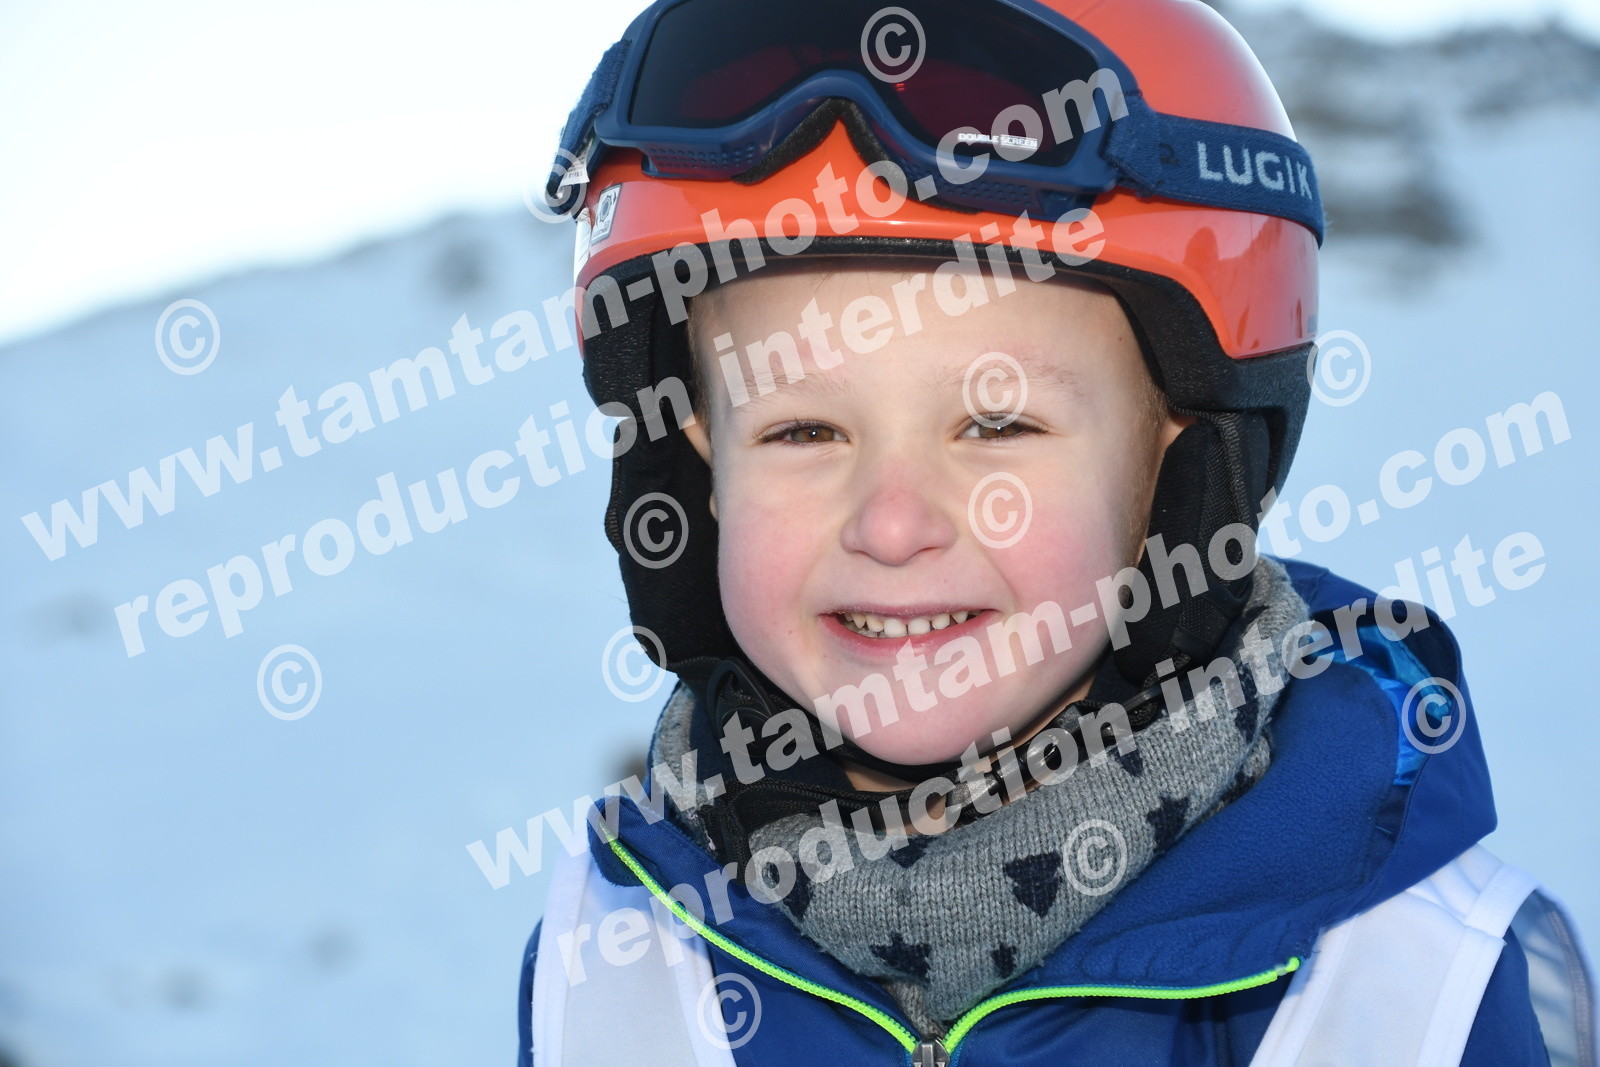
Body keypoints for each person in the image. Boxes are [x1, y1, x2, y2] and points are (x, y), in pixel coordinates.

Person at [518, 0, 1597, 1063]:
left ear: (1183, 462)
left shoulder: (1405, 990)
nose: (891, 524)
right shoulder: (612, 971)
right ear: (698, 467)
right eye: (803, 430)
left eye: (997, 426)